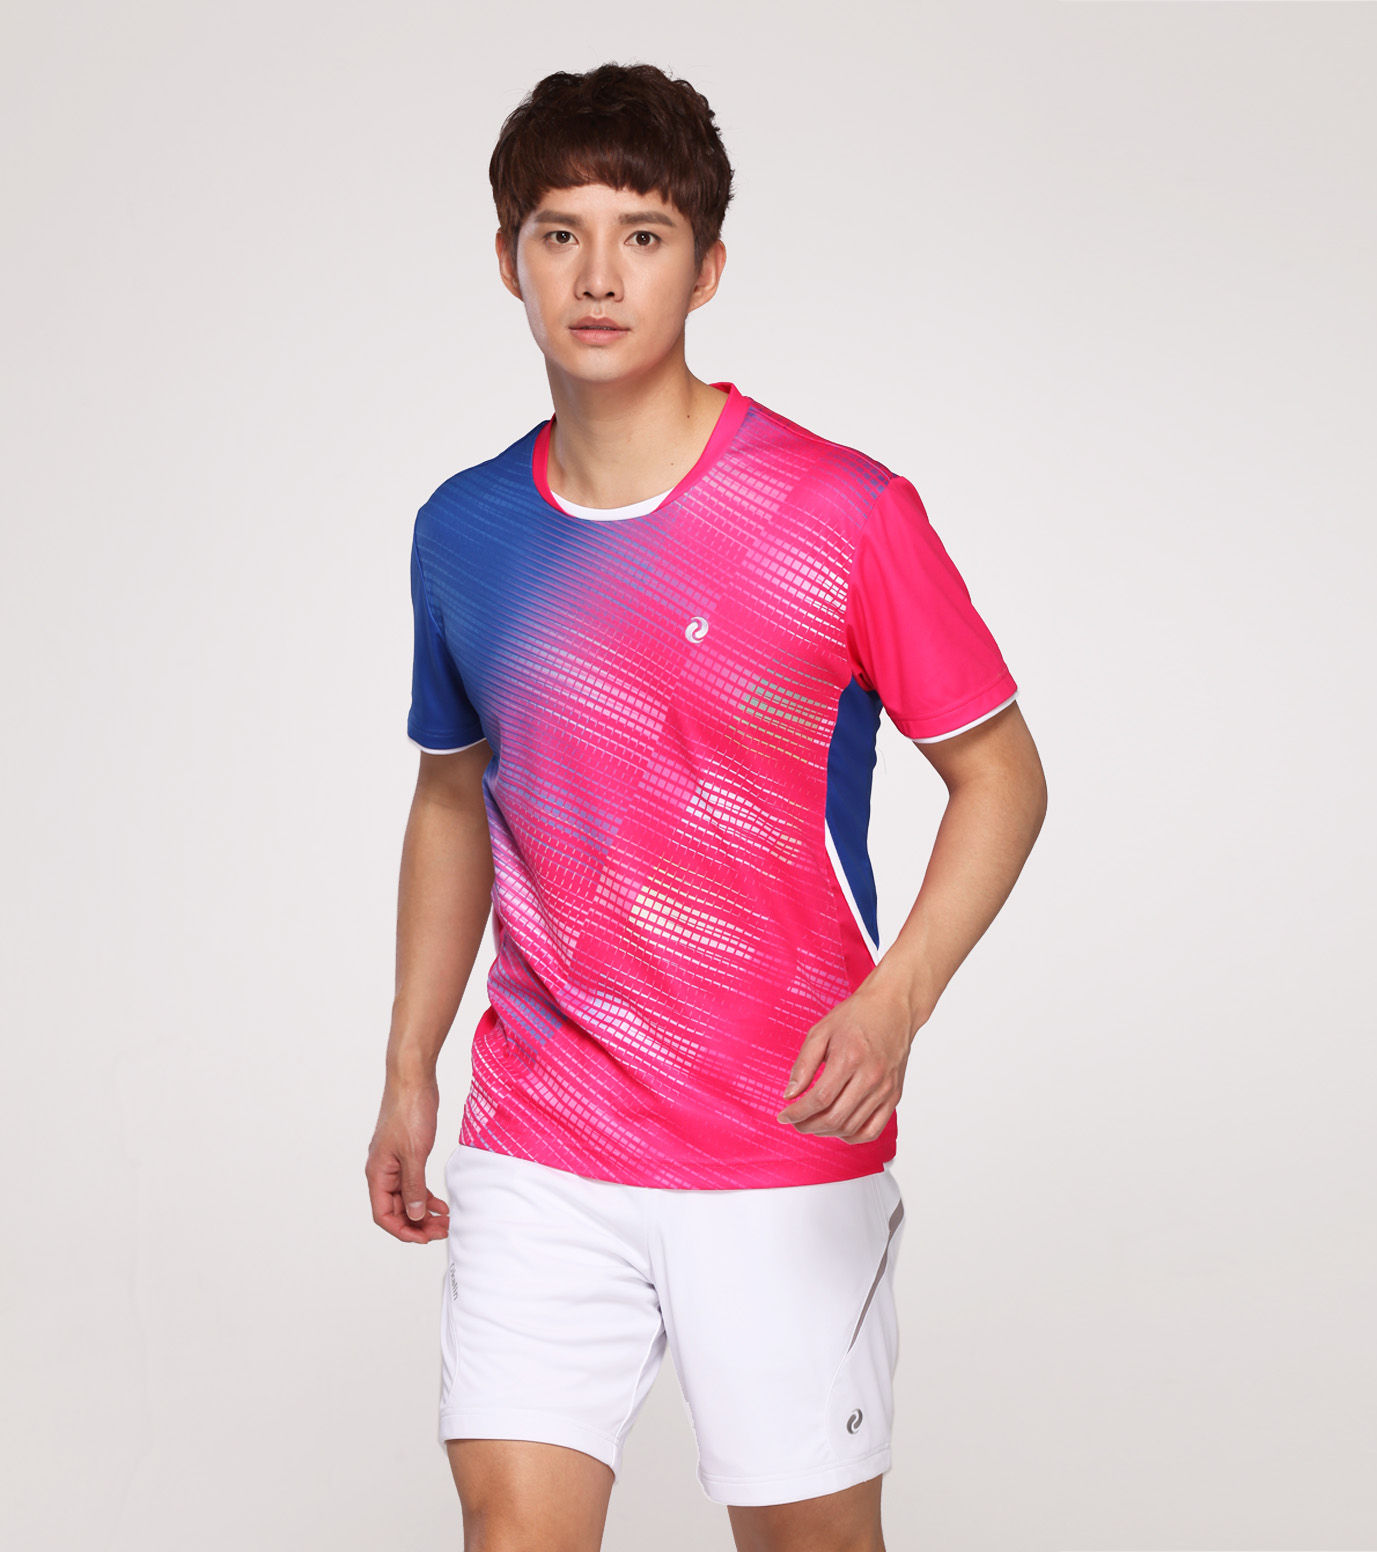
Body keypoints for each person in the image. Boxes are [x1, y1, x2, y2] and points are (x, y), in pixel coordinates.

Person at [365, 61, 1047, 1552]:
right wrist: (411, 1062)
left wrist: (894, 1005)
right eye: (560, 234)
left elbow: (1001, 775)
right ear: (509, 260)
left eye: (644, 235)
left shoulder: (844, 512)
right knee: (511, 1530)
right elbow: (451, 792)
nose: (599, 276)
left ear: (708, 266)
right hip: (545, 1124)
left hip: (778, 1129)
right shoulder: (464, 528)